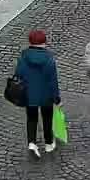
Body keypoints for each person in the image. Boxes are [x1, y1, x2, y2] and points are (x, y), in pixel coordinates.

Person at [16, 29, 62, 157]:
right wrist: (57, 98)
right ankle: (48, 144)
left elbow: (18, 74)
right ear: (44, 42)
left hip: (29, 95)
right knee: (47, 119)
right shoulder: (49, 58)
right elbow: (53, 81)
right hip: (46, 96)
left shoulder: (23, 56)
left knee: (31, 118)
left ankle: (32, 142)